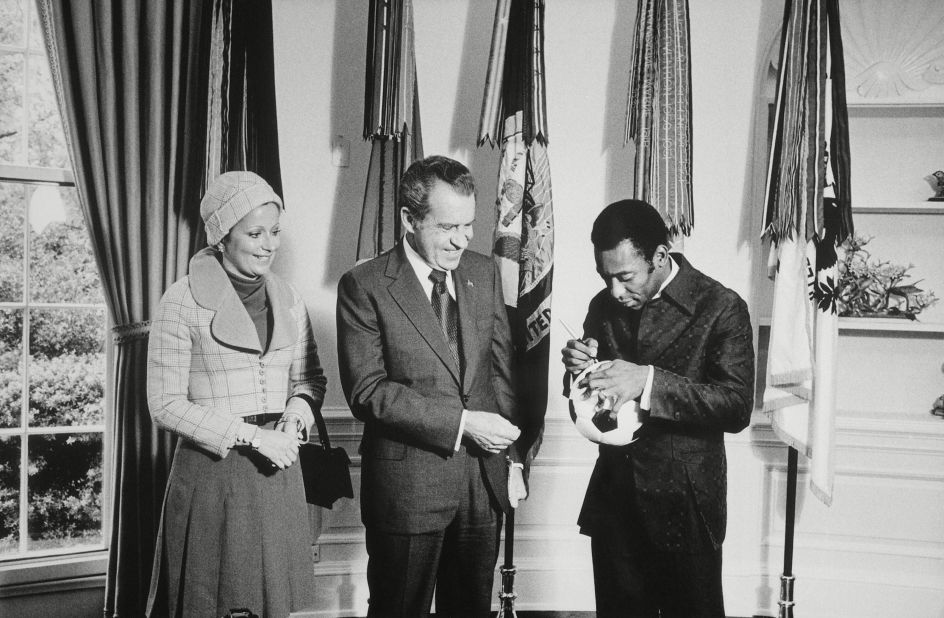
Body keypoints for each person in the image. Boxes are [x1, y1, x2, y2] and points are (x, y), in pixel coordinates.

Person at [337, 155, 526, 617]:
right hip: (407, 491)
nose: (461, 240)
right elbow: (368, 391)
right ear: (409, 218)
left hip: (483, 486)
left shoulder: (482, 272)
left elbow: (499, 374)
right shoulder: (364, 285)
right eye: (446, 227)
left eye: (469, 225)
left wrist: (513, 459)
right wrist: (462, 423)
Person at [561, 199, 755, 618]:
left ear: (660, 256)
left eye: (626, 277)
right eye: (605, 276)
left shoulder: (721, 306)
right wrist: (578, 371)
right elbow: (590, 399)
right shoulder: (603, 305)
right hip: (615, 502)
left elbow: (737, 406)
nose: (615, 291)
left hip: (684, 507)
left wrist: (647, 382)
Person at [146, 171, 326, 617]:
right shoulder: (181, 299)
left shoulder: (288, 298)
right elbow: (164, 404)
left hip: (280, 474)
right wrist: (255, 437)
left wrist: (294, 417)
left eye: (275, 232)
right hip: (214, 475)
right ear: (223, 237)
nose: (269, 244)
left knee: (272, 606)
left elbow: (310, 380)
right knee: (215, 603)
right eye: (255, 233)